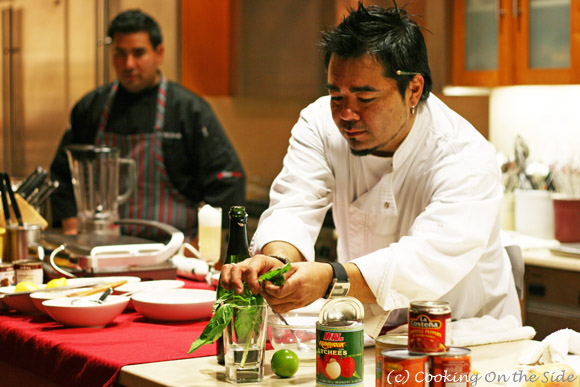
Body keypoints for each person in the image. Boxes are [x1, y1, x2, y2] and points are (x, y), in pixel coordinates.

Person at [220, 3, 521, 338]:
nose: (347, 114)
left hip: (465, 337)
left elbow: (427, 259)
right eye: (337, 96)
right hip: (366, 331)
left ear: (414, 90)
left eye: (365, 98)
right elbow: (294, 205)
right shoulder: (319, 124)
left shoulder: (463, 156)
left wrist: (331, 280)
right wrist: (276, 262)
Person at [50, 9, 245, 240]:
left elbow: (228, 180)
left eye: (138, 53)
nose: (128, 64)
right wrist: (72, 226)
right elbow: (62, 175)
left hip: (175, 250)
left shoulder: (188, 109)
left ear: (159, 53)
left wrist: (203, 243)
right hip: (103, 246)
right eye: (120, 54)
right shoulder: (91, 107)